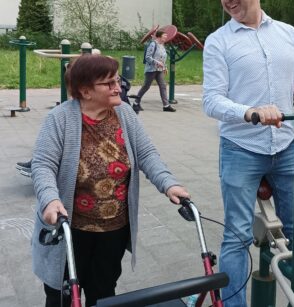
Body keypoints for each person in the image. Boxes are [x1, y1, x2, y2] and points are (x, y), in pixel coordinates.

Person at [202, 1, 294, 307]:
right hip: (241, 148)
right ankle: (232, 305)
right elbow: (212, 100)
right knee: (237, 235)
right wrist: (250, 112)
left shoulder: (288, 34)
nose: (228, 1)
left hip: (286, 145)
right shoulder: (219, 40)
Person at [30, 54, 190, 307]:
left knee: (103, 293)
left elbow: (146, 153)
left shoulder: (124, 113)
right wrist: (50, 200)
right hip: (69, 230)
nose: (119, 87)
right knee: (61, 296)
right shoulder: (59, 119)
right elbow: (43, 164)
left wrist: (168, 183)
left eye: (118, 80)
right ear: (85, 91)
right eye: (110, 83)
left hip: (113, 229)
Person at [133, 30, 176, 113]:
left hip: (159, 70)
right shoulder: (153, 44)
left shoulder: (162, 45)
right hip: (151, 69)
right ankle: (136, 103)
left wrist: (165, 67)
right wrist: (157, 63)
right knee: (146, 86)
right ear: (159, 36)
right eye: (164, 36)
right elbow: (147, 57)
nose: (166, 37)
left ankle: (166, 106)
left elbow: (162, 58)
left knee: (163, 86)